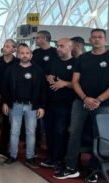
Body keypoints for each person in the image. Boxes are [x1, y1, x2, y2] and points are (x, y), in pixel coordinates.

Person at [55, 29, 109, 182]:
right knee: (74, 133)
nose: (97, 40)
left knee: (98, 136)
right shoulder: (83, 58)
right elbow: (75, 82)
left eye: (100, 37)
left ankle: (94, 169)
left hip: (103, 104)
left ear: (105, 40)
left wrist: (98, 100)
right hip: (80, 102)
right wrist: (85, 98)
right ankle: (71, 167)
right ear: (89, 40)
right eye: (94, 37)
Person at [1, 43, 47, 168]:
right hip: (15, 105)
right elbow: (5, 88)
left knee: (31, 133)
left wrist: (42, 106)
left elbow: (43, 90)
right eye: (22, 53)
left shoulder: (38, 70)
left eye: (27, 53)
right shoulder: (11, 69)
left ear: (31, 55)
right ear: (18, 54)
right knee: (14, 131)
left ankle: (30, 157)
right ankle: (12, 155)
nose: (24, 55)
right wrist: (5, 102)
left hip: (32, 106)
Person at [40, 38, 75, 170]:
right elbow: (46, 75)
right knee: (49, 132)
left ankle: (59, 159)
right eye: (57, 46)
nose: (58, 48)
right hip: (50, 103)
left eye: (62, 46)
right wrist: (47, 77)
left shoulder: (76, 63)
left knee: (60, 132)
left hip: (66, 104)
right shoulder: (53, 61)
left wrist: (65, 83)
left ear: (70, 48)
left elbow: (80, 84)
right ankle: (50, 157)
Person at [0, 39, 19, 160]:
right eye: (4, 46)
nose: (5, 48)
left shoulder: (17, 63)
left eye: (8, 46)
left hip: (10, 97)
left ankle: (3, 150)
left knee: (7, 124)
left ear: (14, 49)